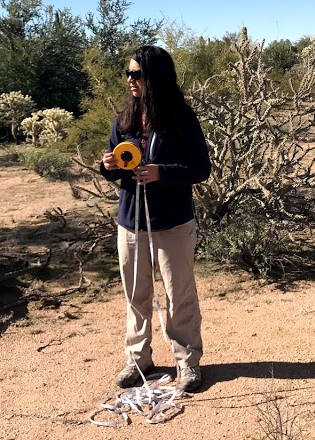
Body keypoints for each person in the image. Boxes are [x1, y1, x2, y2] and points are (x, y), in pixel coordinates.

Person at [100, 45, 211, 391]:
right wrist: (108, 168)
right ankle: (137, 360)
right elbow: (118, 171)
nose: (131, 80)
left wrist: (161, 172)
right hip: (131, 222)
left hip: (173, 223)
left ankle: (188, 362)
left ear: (155, 76)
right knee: (136, 296)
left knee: (180, 296)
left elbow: (200, 168)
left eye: (137, 74)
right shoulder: (125, 119)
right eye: (129, 74)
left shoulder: (181, 118)